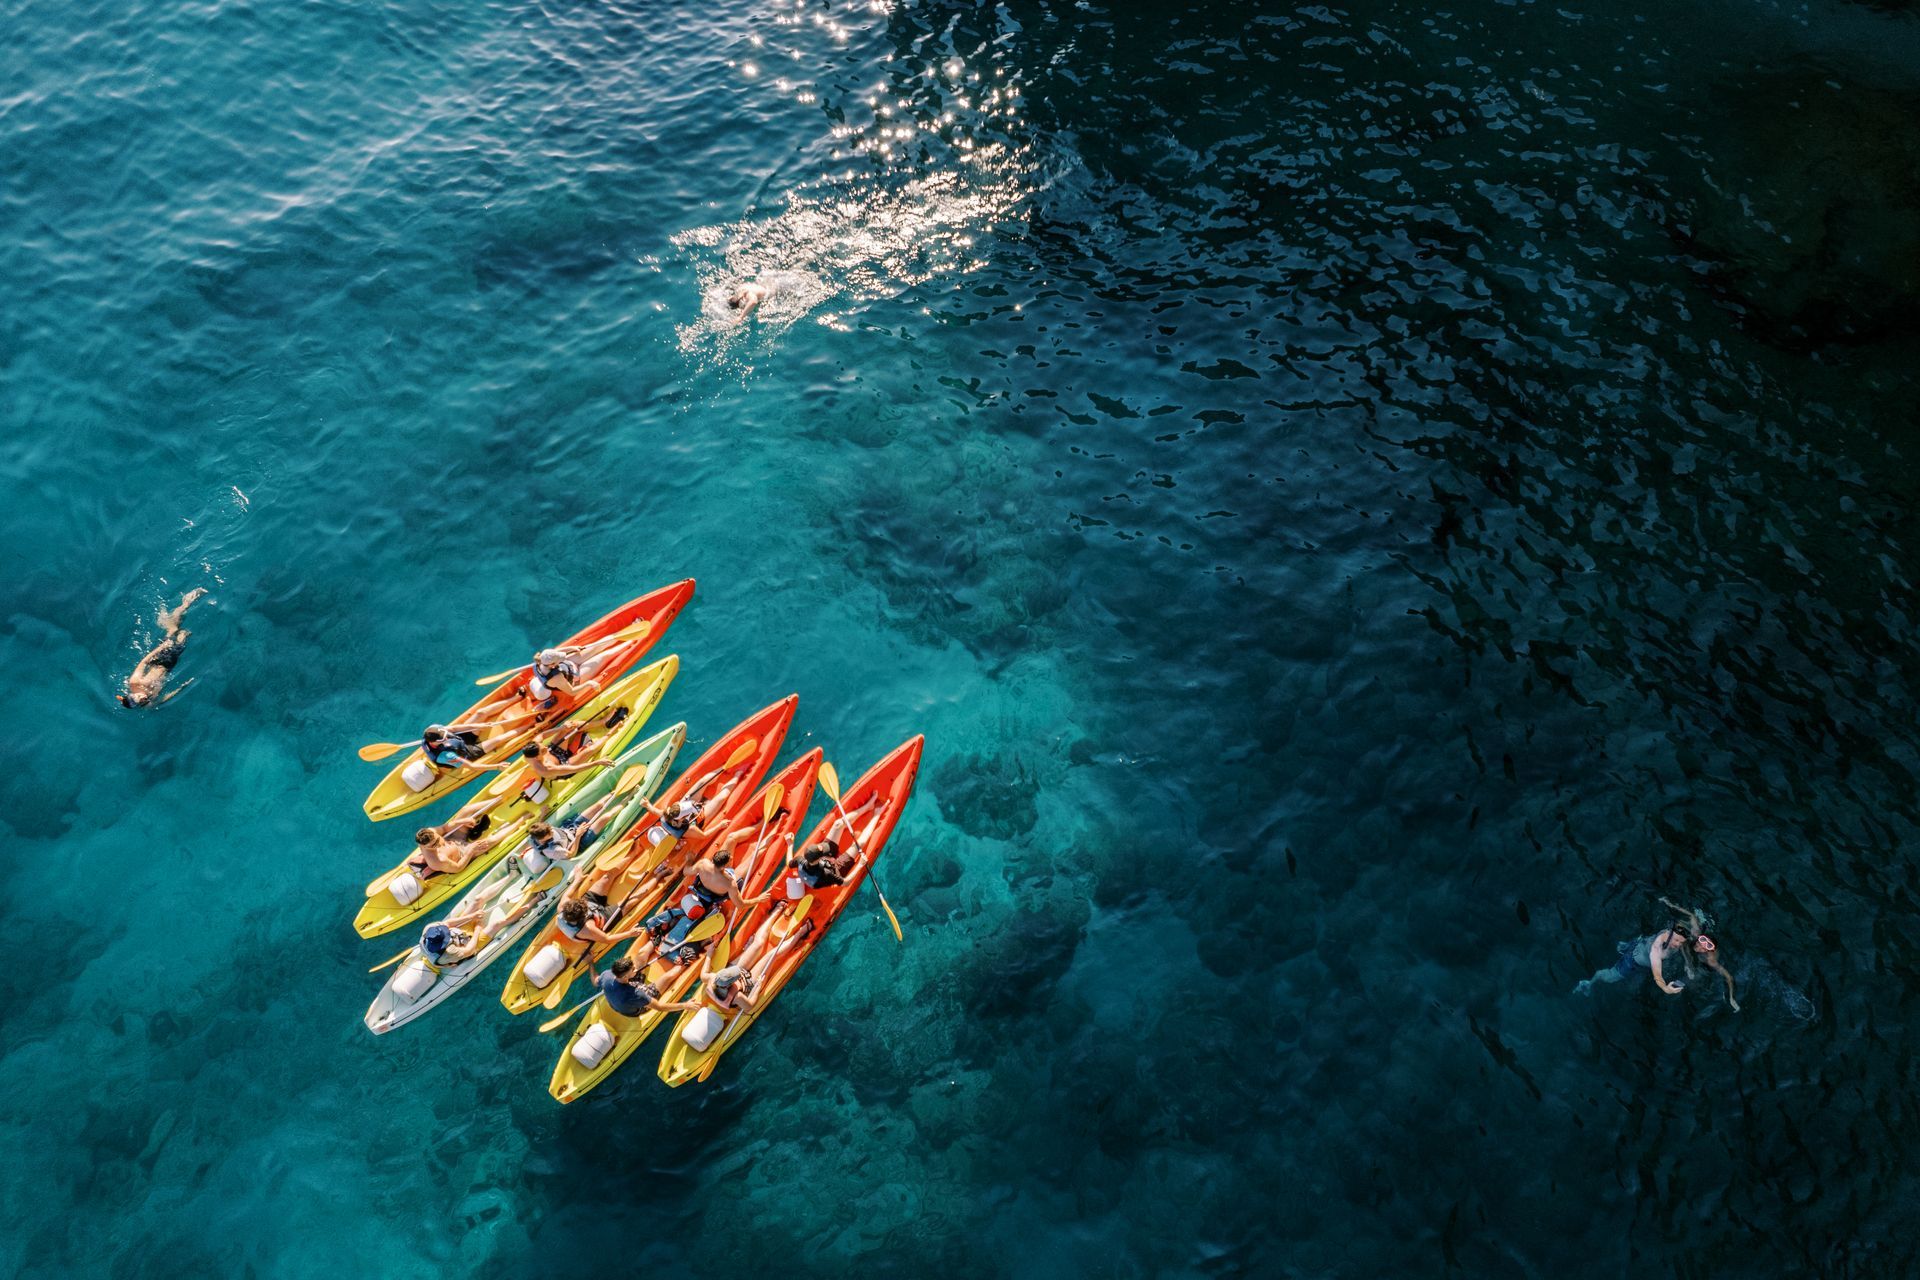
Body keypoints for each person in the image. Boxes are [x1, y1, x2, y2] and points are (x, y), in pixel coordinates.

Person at [1575, 899, 1740, 1010]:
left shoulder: (1684, 937)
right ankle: (1588, 982)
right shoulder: (1657, 950)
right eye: (1675, 940)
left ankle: (1625, 946)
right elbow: (1657, 972)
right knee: (1610, 977)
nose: (1678, 944)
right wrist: (1664, 987)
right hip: (1635, 962)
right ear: (1669, 934)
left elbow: (1690, 920)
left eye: (1681, 942)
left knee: (1638, 944)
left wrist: (1668, 902)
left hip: (1642, 944)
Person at [118, 588, 207, 708]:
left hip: (160, 659)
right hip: (169, 667)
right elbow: (166, 697)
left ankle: (187, 601)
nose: (142, 698)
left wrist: (160, 648)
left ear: (132, 694)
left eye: (138, 696)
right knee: (183, 635)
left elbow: (144, 662)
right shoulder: (149, 703)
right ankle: (172, 623)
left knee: (174, 629)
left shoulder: (135, 682)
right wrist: (183, 687)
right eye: (140, 701)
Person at [587, 956, 704, 1019]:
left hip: (620, 995)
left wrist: (590, 962)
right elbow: (660, 1007)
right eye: (633, 970)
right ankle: (685, 962)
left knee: (640, 958)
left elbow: (594, 980)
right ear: (626, 975)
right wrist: (685, 1005)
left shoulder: (606, 975)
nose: (635, 970)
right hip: (634, 1010)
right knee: (667, 977)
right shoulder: (636, 994)